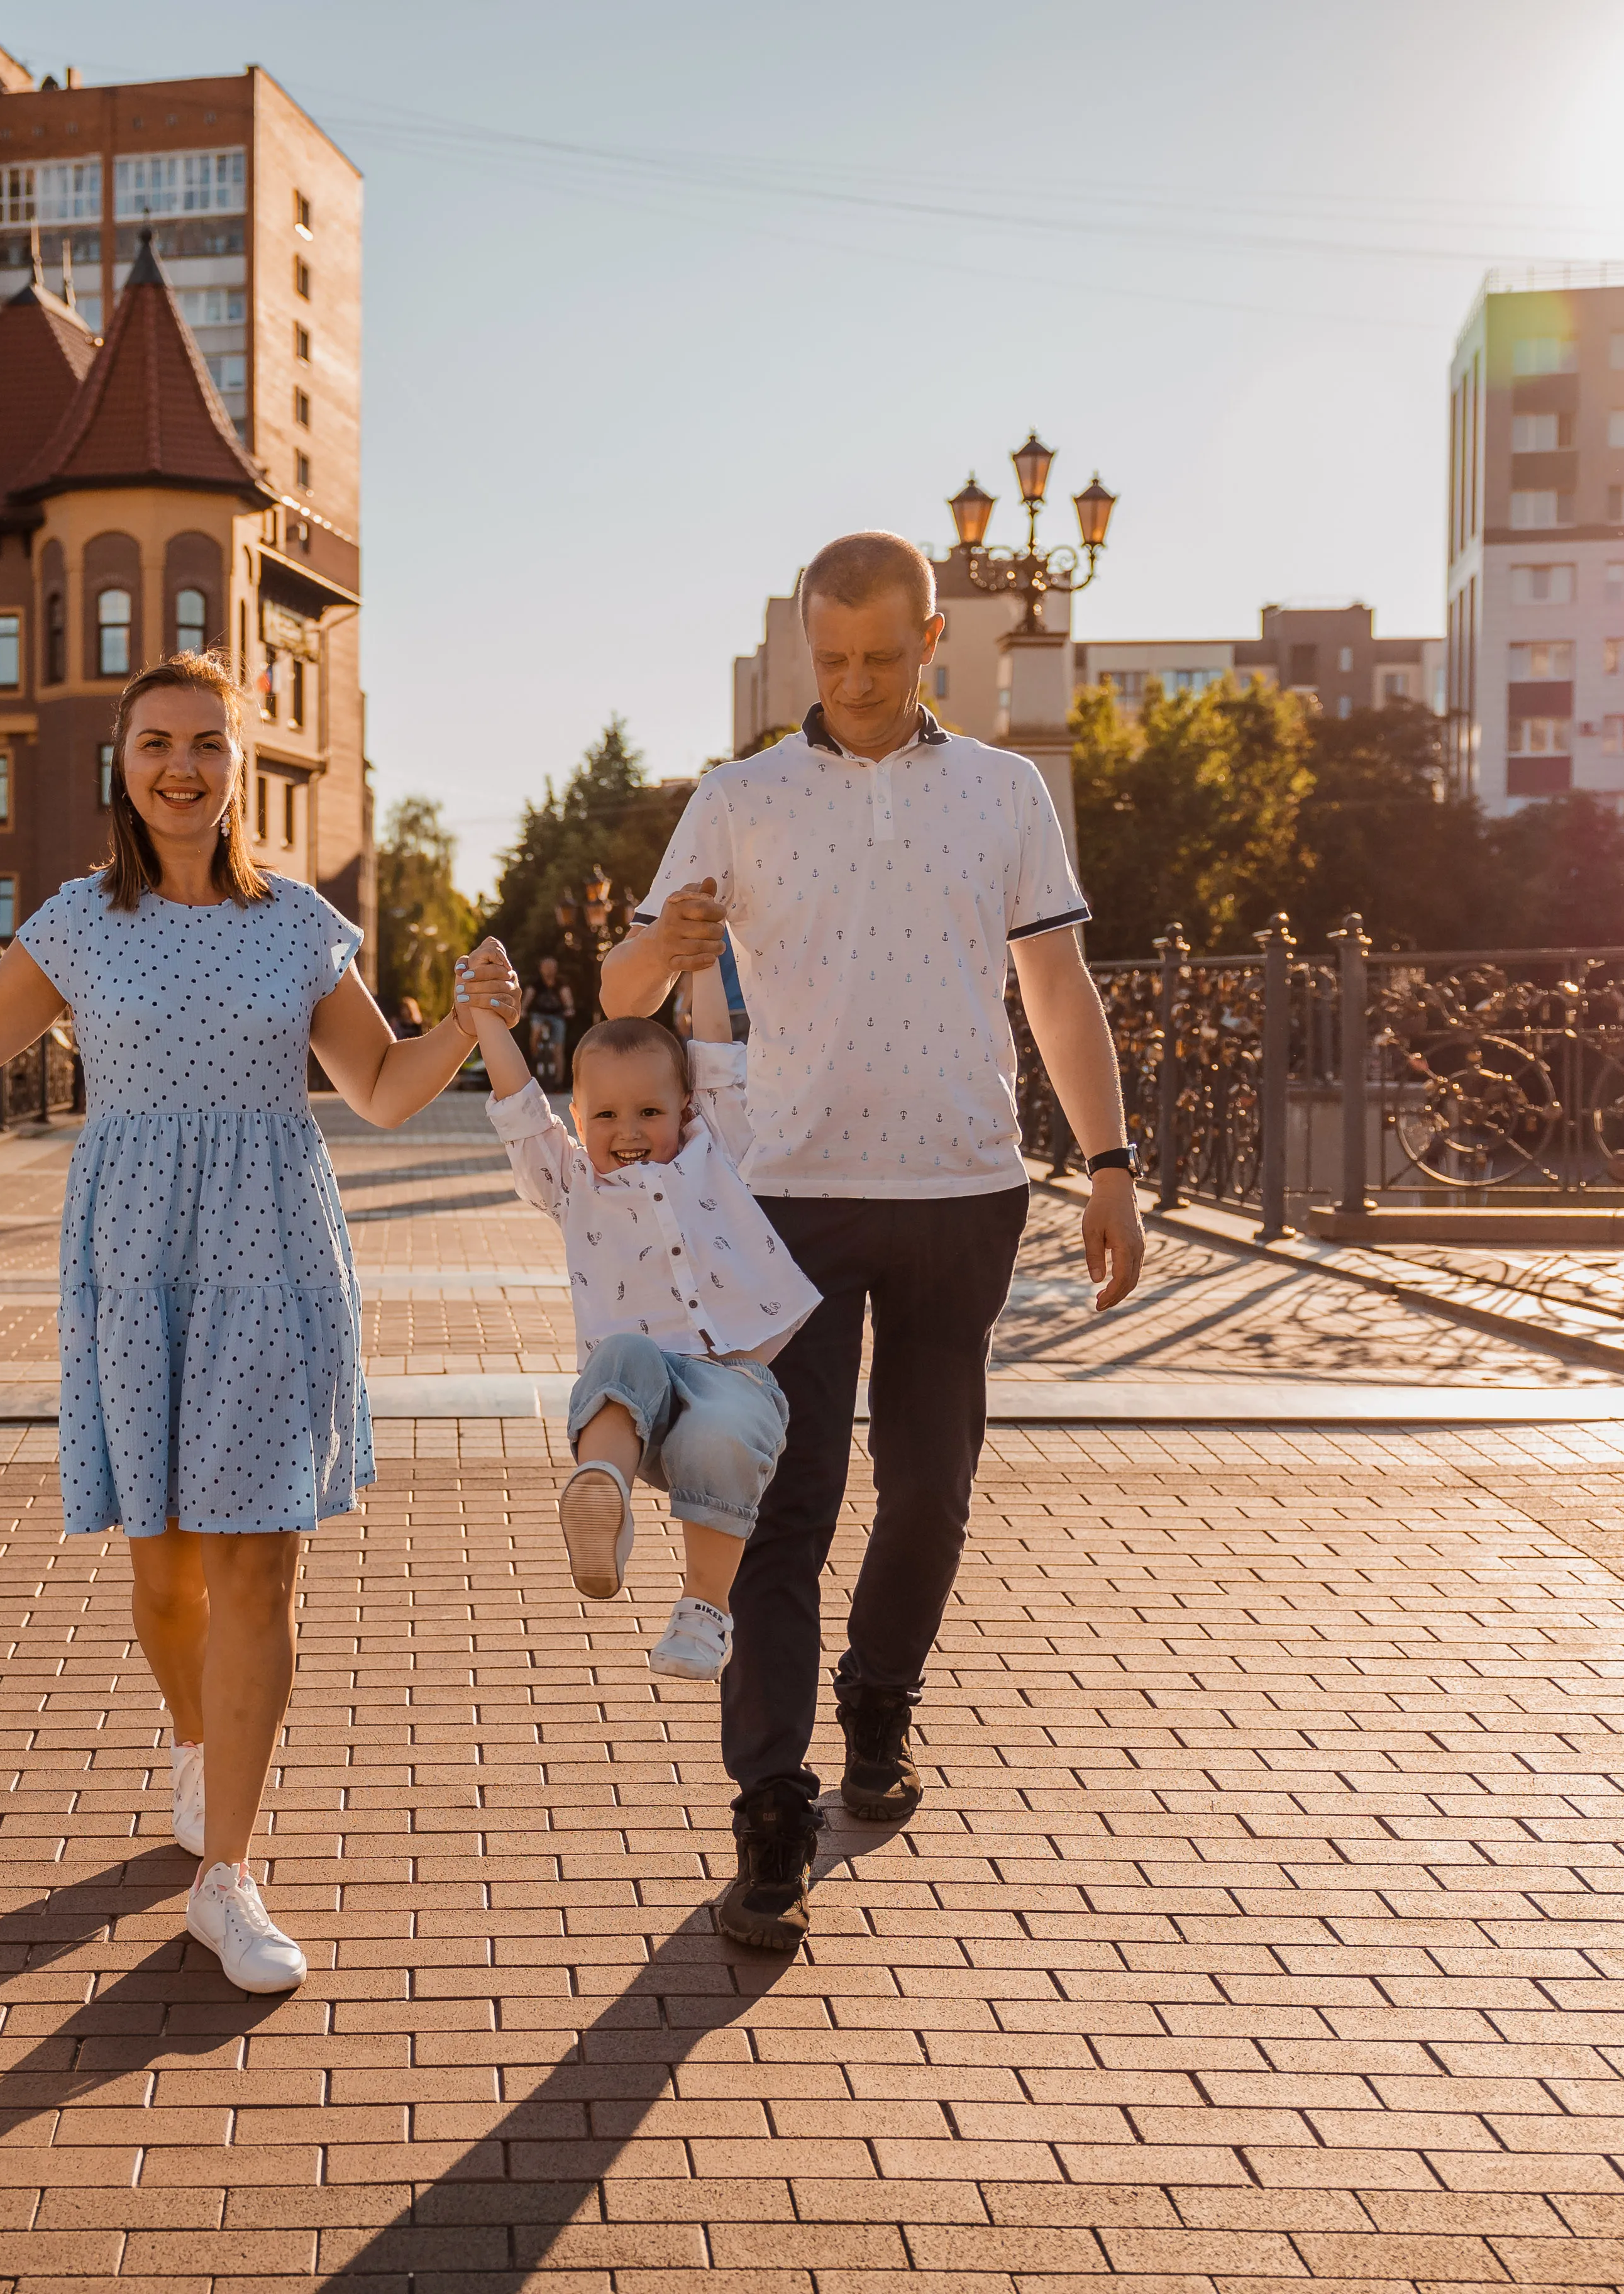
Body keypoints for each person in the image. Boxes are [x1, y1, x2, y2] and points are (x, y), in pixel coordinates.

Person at [0, 650, 513, 1994]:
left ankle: (229, 1875)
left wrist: (469, 1027)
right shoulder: (78, 922)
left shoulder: (302, 922)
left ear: (241, 764)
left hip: (274, 1238)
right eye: (155, 747)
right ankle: (197, 1740)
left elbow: (375, 1089)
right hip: (133, 1250)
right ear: (120, 770)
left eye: (206, 743)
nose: (181, 768)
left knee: (258, 1565)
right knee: (165, 1570)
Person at [603, 529, 1144, 1954]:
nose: (850, 684)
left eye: (879, 659)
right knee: (780, 1504)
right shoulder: (738, 797)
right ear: (803, 648)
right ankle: (768, 1815)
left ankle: (878, 1700)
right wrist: (668, 944)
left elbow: (1056, 986)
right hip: (784, 1194)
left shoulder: (1000, 791)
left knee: (929, 1493)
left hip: (962, 1192)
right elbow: (618, 980)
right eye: (828, 660)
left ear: (929, 651)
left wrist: (1108, 1163)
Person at [468, 979, 816, 1682]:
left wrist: (701, 964)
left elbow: (716, 1055)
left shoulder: (714, 1148)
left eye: (650, 1111)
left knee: (725, 1430)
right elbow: (519, 1112)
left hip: (728, 1375)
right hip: (637, 1399)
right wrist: (482, 1014)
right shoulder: (570, 1185)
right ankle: (604, 1490)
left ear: (686, 1109)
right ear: (578, 1117)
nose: (628, 1132)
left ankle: (703, 1608)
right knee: (621, 1355)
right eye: (607, 1116)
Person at [522, 954, 574, 1090]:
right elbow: (528, 997)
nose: (549, 970)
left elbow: (567, 997)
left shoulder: (560, 983)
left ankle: (558, 1081)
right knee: (536, 1032)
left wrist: (569, 1009)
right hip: (539, 1015)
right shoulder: (536, 983)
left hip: (557, 1016)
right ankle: (535, 1055)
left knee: (559, 1048)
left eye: (551, 967)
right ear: (541, 969)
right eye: (546, 967)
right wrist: (523, 1009)